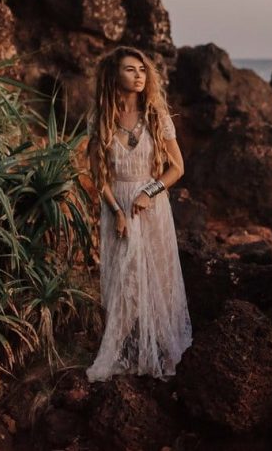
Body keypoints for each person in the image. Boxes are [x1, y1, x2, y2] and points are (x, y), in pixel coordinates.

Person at [85, 45, 192, 382]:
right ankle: (116, 349)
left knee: (155, 276)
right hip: (117, 205)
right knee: (124, 279)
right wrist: (116, 210)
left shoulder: (156, 116)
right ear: (114, 75)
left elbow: (177, 168)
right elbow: (98, 175)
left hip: (151, 204)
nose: (139, 75)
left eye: (142, 70)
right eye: (130, 69)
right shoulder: (100, 119)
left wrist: (150, 192)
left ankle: (155, 348)